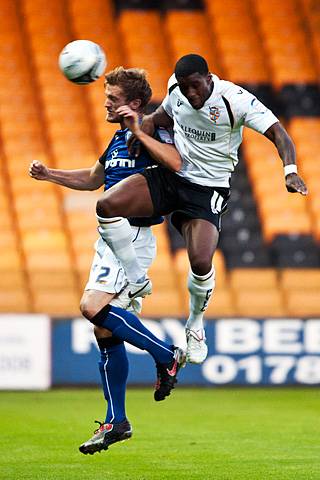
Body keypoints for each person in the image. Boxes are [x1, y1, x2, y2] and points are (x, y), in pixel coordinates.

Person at [94, 54, 308, 365]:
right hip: (172, 176)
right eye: (184, 87)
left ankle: (195, 323)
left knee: (200, 260)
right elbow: (165, 113)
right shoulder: (176, 90)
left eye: (195, 86)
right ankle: (137, 281)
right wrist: (147, 124)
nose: (190, 94)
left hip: (207, 189)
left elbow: (279, 133)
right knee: (106, 204)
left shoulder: (236, 100)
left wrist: (290, 170)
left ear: (209, 79)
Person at [29, 67, 185, 455]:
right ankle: (117, 421)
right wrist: (51, 175)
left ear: (133, 103)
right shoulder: (117, 140)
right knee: (105, 332)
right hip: (109, 238)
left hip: (131, 235)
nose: (105, 103)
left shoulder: (153, 133)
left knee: (91, 307)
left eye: (112, 98)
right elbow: (93, 179)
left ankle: (166, 354)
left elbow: (176, 163)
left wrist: (140, 131)